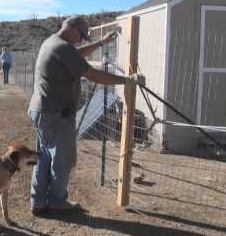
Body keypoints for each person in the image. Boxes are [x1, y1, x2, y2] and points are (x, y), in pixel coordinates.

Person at [28, 16, 145, 216]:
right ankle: (57, 202)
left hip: (42, 110)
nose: (82, 41)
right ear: (72, 30)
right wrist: (127, 81)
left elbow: (75, 54)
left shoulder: (52, 43)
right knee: (63, 160)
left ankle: (38, 202)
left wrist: (100, 43)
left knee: (45, 157)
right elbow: (92, 74)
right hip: (57, 115)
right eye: (82, 37)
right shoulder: (63, 48)